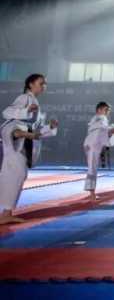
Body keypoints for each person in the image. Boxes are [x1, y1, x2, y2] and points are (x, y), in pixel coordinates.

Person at [0, 74, 58, 225]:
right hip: (13, 132)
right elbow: (6, 113)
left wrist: (50, 128)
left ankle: (6, 213)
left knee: (17, 174)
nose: (44, 85)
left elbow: (36, 131)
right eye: (41, 83)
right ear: (30, 84)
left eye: (45, 83)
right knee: (17, 172)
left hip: (23, 140)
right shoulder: (25, 98)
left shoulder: (35, 102)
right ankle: (5, 214)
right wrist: (26, 110)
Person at [84, 102, 114, 201]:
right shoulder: (100, 118)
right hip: (93, 143)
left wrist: (113, 130)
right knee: (92, 168)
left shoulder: (97, 119)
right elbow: (102, 129)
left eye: (108, 110)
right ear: (99, 110)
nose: (107, 112)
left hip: (92, 143)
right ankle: (92, 194)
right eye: (106, 109)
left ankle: (91, 192)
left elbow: (103, 131)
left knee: (92, 167)